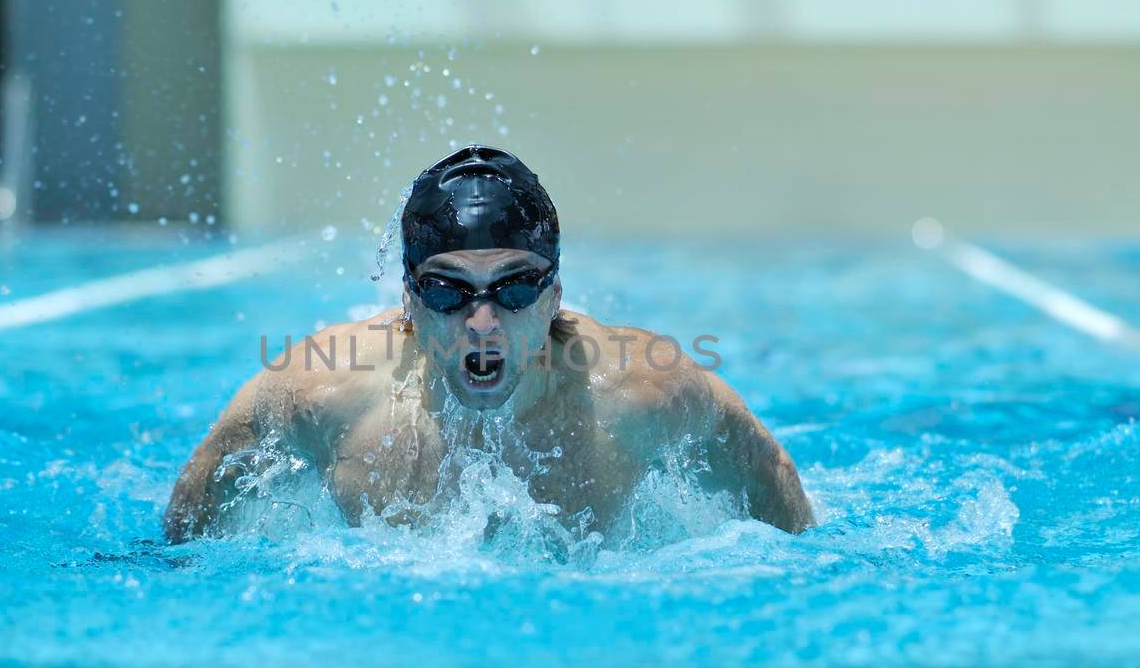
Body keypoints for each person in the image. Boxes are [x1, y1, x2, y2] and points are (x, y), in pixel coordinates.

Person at [165, 145, 812, 542]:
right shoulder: (319, 392)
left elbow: (771, 478)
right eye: (449, 291)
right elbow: (193, 515)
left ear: (555, 296)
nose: (481, 321)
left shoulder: (644, 393)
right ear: (410, 300)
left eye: (514, 287)